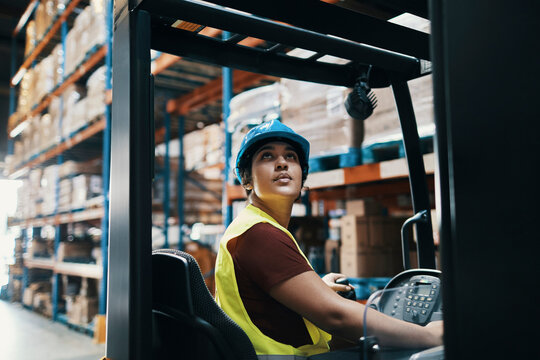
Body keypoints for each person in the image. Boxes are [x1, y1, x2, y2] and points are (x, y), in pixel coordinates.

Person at [215, 119, 443, 357]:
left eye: (291, 157)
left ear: (302, 178)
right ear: (246, 179)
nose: (282, 163)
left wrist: (316, 290)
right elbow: (336, 316)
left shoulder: (255, 227)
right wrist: (430, 334)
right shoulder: (258, 234)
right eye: (267, 156)